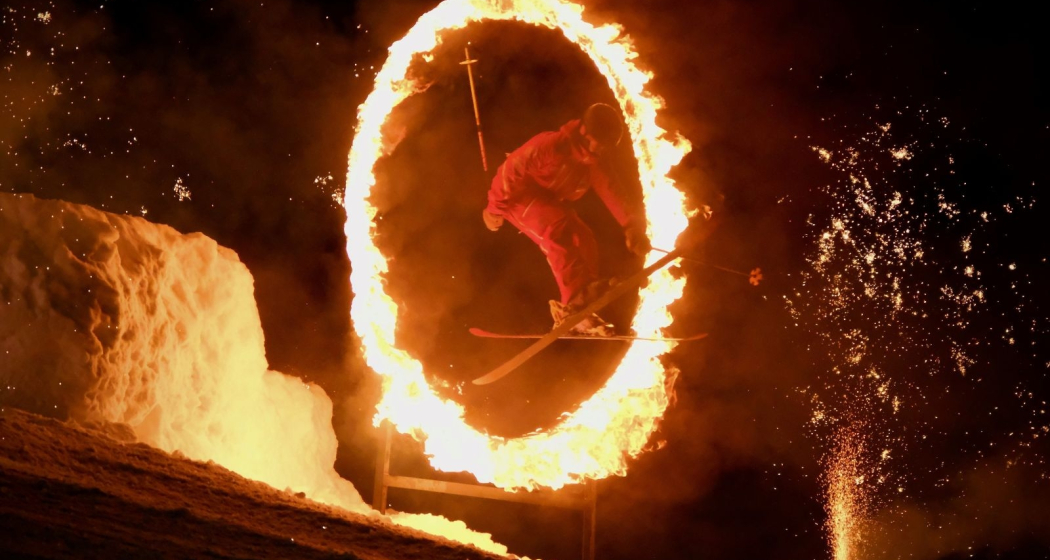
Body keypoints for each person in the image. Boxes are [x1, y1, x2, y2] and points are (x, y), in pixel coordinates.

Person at [482, 103, 649, 336]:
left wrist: (631, 226)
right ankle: (572, 305)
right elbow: (511, 169)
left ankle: (584, 303)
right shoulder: (551, 145)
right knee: (557, 226)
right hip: (518, 198)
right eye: (596, 141)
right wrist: (493, 209)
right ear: (584, 131)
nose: (598, 149)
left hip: (549, 203)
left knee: (584, 237)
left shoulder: (593, 162)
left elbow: (612, 189)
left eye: (603, 146)